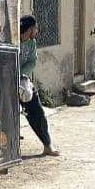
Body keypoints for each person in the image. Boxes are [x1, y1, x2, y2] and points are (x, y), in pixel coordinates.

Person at [19, 15, 60, 156]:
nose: (37, 31)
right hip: (7, 82)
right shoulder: (12, 40)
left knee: (37, 112)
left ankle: (48, 145)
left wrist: (23, 76)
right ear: (30, 29)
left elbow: (32, 62)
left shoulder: (32, 43)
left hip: (23, 82)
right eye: (35, 28)